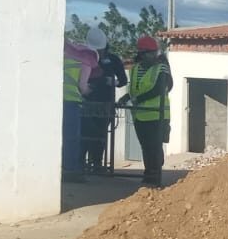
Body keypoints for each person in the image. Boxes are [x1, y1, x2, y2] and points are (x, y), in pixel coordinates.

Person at [126, 36, 172, 188]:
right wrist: (126, 98)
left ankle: (154, 177)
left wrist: (139, 99)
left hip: (157, 114)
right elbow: (134, 89)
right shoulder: (135, 69)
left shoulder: (162, 67)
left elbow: (161, 88)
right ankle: (149, 174)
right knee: (146, 147)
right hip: (140, 115)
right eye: (149, 53)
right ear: (141, 53)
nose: (153, 56)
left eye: (154, 53)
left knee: (154, 146)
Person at [82, 28, 128, 173]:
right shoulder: (84, 57)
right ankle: (81, 164)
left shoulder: (113, 60)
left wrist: (112, 82)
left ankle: (96, 164)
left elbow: (123, 80)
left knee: (100, 136)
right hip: (86, 103)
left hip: (105, 104)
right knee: (84, 135)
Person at [63, 40, 97, 183]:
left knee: (62, 136)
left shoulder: (66, 58)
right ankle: (71, 169)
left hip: (59, 101)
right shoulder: (86, 63)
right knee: (72, 138)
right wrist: (90, 90)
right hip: (72, 102)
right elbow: (82, 86)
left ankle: (63, 167)